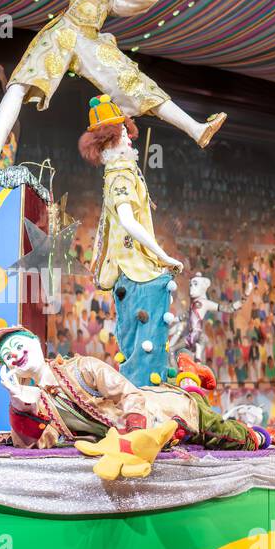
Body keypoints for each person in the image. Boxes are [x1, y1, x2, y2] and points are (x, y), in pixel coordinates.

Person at [0, 0, 225, 168]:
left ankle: (196, 130)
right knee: (20, 84)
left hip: (92, 42)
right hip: (63, 34)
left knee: (139, 84)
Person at [0, 325, 275, 452]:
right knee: (194, 399)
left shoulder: (81, 367)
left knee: (223, 435)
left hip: (165, 414)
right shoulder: (35, 400)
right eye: (6, 357)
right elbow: (34, 446)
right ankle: (189, 374)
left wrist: (135, 434)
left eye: (15, 345)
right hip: (141, 441)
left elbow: (131, 396)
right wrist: (21, 409)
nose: (14, 355)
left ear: (33, 341)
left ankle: (271, 435)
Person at [80, 96, 181, 387]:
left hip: (136, 268)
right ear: (111, 141)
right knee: (142, 344)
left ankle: (147, 391)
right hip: (135, 270)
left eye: (126, 132)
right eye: (123, 133)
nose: (129, 139)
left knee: (143, 342)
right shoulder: (120, 176)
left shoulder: (122, 173)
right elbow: (127, 220)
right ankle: (142, 398)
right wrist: (163, 255)